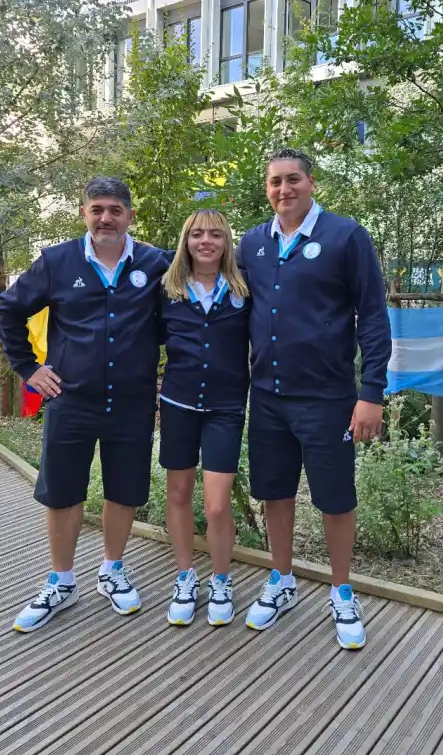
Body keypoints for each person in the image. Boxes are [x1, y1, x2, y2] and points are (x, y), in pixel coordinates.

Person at [0, 177, 170, 633]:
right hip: (69, 398)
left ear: (130, 215)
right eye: (96, 209)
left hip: (132, 403)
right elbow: (8, 310)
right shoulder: (57, 261)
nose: (105, 218)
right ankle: (62, 580)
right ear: (84, 213)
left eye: (115, 209)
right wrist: (28, 368)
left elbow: (190, 307)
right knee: (62, 491)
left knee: (124, 490)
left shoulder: (156, 263)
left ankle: (112, 570)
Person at [237, 147, 392, 650]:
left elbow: (372, 316)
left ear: (312, 182)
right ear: (267, 187)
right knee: (274, 492)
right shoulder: (253, 244)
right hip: (267, 397)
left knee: (335, 498)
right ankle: (281, 580)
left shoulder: (346, 236)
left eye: (293, 180)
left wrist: (371, 393)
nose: (284, 190)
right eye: (275, 181)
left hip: (328, 398)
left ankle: (342, 591)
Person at [158, 209, 250, 627]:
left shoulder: (244, 290)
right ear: (186, 241)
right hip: (177, 406)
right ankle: (184, 577)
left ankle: (221, 579)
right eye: (197, 234)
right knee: (177, 495)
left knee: (215, 506)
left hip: (225, 409)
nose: (206, 241)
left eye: (215, 234)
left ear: (227, 241)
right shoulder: (167, 290)